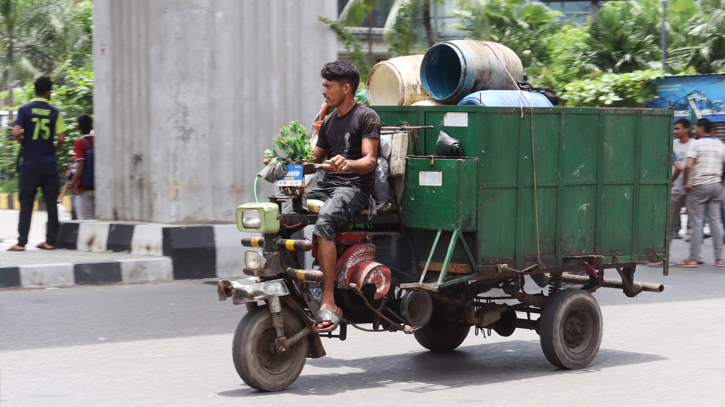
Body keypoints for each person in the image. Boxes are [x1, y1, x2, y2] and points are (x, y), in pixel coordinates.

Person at [302, 61, 381, 331]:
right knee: (283, 215)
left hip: (355, 189)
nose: (323, 91)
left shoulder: (366, 116)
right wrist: (284, 160)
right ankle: (297, 286)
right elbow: (312, 161)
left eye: (328, 86)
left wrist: (348, 163)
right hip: (328, 186)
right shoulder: (329, 121)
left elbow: (369, 161)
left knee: (324, 222)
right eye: (323, 85)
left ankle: (328, 299)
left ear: (345, 88)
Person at [7, 77, 67, 251]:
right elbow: (62, 138)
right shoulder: (55, 112)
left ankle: (21, 243)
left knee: (26, 202)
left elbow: (16, 132)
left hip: (30, 164)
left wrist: (24, 142)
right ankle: (50, 241)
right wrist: (54, 147)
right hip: (49, 164)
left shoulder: (24, 110)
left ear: (35, 90)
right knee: (50, 203)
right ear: (48, 92)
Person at [677, 118, 725, 267]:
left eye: (695, 128)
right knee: (716, 222)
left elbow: (688, 165)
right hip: (715, 187)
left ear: (701, 129)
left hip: (699, 187)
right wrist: (722, 185)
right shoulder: (720, 144)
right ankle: (719, 259)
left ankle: (693, 258)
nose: (693, 130)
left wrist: (686, 183)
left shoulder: (695, 144)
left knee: (697, 223)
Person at [648, 118, 692, 266]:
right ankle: (663, 255)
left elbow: (680, 167)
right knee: (670, 225)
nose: (675, 131)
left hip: (690, 189)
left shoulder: (694, 145)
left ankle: (693, 257)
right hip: (677, 190)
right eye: (674, 129)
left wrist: (672, 180)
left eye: (678, 128)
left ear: (686, 129)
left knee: (694, 224)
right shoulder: (672, 144)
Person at [69, 114, 95, 219]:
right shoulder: (98, 140)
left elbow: (80, 167)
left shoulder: (80, 143)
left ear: (78, 127)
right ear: (91, 127)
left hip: (85, 188)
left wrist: (72, 183)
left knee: (86, 221)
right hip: (100, 187)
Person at [57, 150, 78, 220]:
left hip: (80, 194)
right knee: (74, 215)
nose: (70, 158)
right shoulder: (71, 169)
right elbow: (67, 184)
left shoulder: (78, 166)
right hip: (75, 195)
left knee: (78, 215)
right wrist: (60, 197)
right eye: (69, 156)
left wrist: (61, 197)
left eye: (71, 156)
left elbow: (67, 184)